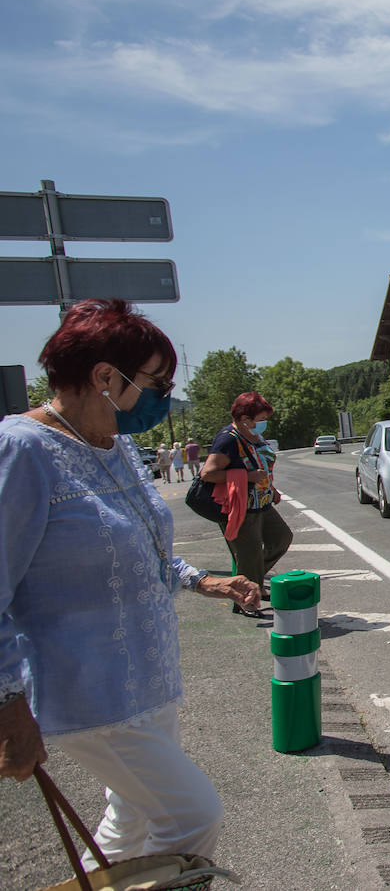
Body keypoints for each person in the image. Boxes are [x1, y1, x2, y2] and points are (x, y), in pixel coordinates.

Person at [0, 298, 259, 870]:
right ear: (104, 377)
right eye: (156, 382)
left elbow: (142, 546)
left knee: (131, 820)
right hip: (88, 690)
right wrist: (7, 703)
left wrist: (204, 581)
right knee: (192, 816)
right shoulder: (22, 450)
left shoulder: (115, 447)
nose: (164, 396)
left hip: (149, 678)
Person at [200, 392, 293, 619]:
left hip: (261, 502)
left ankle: (253, 582)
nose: (264, 423)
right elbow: (208, 474)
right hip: (240, 506)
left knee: (281, 538)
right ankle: (245, 601)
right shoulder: (228, 439)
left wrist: (271, 489)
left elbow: (261, 464)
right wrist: (248, 477)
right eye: (260, 419)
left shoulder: (252, 436)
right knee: (249, 553)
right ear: (244, 419)